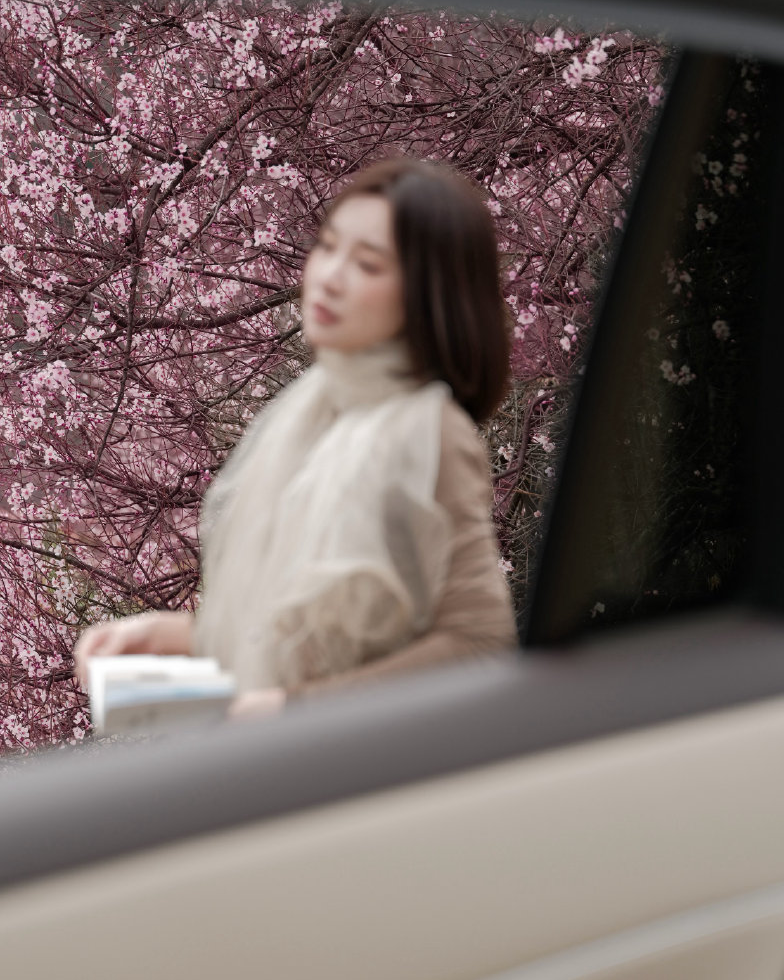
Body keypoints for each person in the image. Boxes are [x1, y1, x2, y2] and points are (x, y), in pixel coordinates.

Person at [74, 157, 516, 717]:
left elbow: (479, 647)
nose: (329, 276)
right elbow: (294, 641)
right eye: (328, 247)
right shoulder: (308, 412)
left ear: (427, 296)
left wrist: (296, 711)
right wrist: (170, 635)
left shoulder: (430, 433)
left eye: (369, 265)